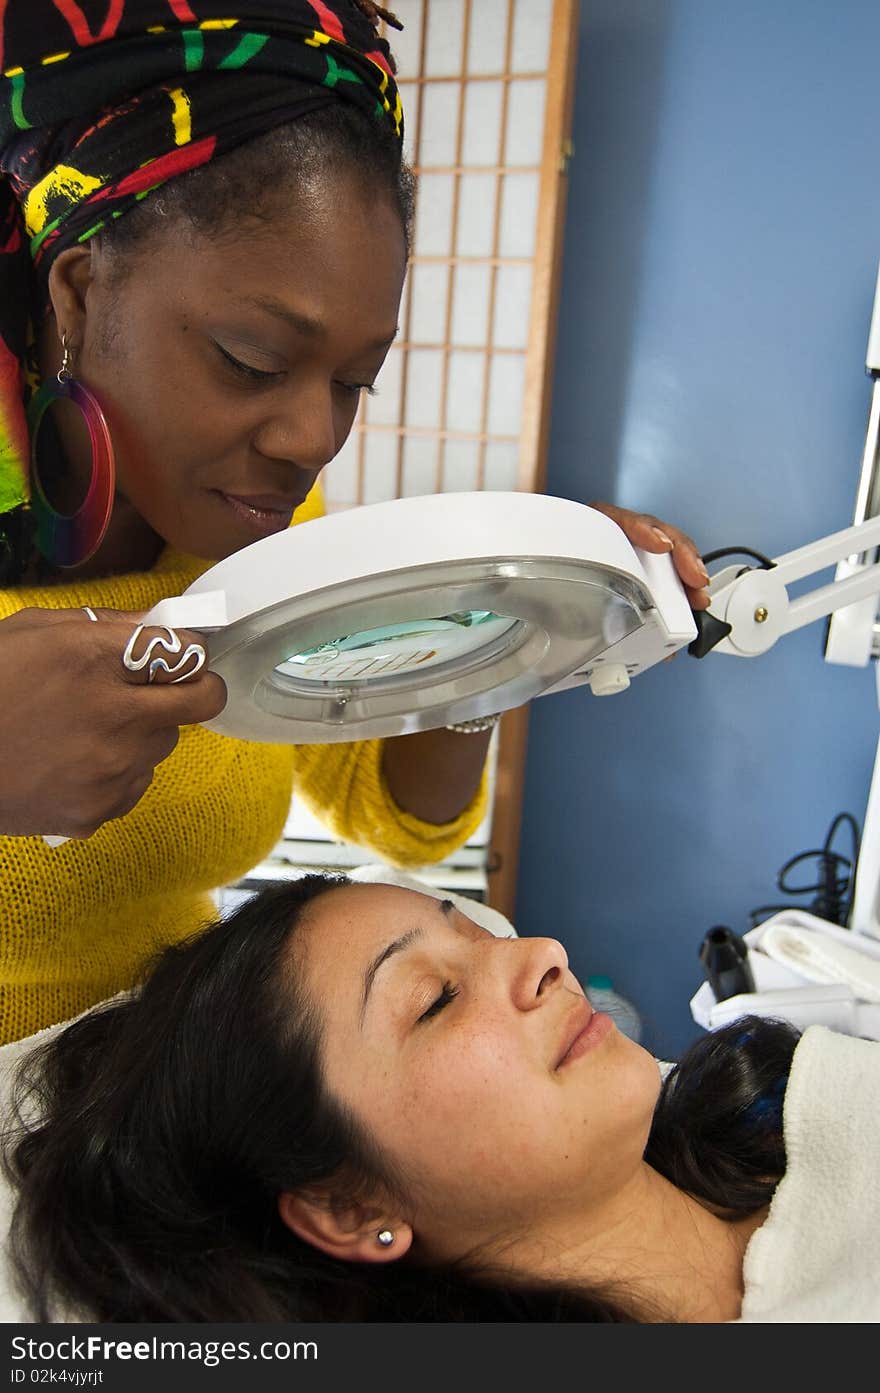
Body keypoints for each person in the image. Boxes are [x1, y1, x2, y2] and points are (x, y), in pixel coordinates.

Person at [0, 1, 712, 1046]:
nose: (308, 438)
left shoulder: (246, 507)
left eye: (354, 381)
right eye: (251, 361)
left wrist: (499, 621)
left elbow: (387, 812)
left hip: (132, 1105)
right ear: (78, 289)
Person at [3, 872, 877, 1323]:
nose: (541, 951)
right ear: (348, 1206)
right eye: (435, 999)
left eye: (473, 928)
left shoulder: (819, 1110)